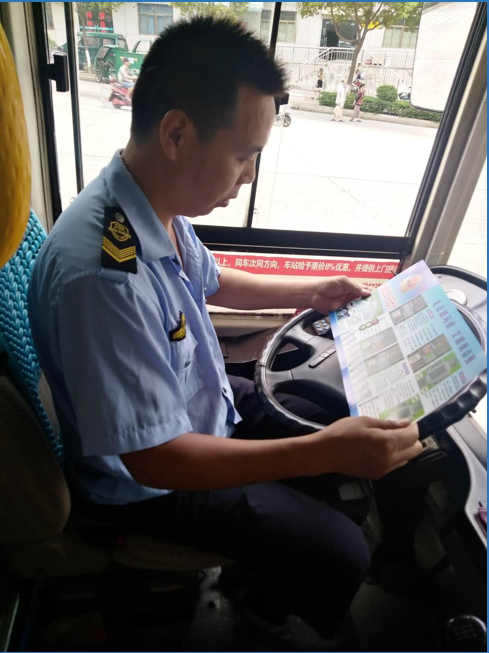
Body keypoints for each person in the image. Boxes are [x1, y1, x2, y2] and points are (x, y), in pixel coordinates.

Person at [28, 17, 421, 649]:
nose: (248, 176)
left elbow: (210, 279)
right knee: (342, 550)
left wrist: (310, 292)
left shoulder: (146, 200)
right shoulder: (103, 276)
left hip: (198, 410)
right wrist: (326, 453)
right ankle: (263, 614)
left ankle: (268, 558)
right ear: (177, 133)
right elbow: (154, 458)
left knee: (330, 410)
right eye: (243, 156)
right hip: (150, 488)